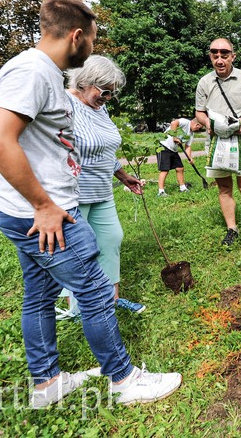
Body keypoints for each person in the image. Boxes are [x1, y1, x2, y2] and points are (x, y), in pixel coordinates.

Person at [0, 0, 181, 407]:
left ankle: (47, 383)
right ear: (76, 37)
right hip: (42, 213)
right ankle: (124, 381)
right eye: (91, 39)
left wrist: (118, 175)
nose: (92, 47)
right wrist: (43, 205)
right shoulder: (33, 73)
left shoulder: (36, 71)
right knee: (92, 289)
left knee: (38, 293)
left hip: (28, 211)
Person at [55, 55, 146, 320]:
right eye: (104, 91)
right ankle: (78, 306)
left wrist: (122, 175)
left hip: (102, 189)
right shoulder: (64, 103)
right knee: (81, 250)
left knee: (111, 239)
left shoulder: (99, 108)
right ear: (85, 82)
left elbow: (104, 149)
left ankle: (112, 298)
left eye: (111, 94)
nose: (107, 98)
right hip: (74, 193)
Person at [194, 38, 241, 246]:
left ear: (233, 56)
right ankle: (231, 229)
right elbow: (199, 112)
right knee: (224, 188)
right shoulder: (204, 82)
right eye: (215, 54)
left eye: (224, 54)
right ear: (210, 56)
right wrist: (206, 123)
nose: (220, 59)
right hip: (217, 143)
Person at [157, 117, 204, 196]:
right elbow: (173, 123)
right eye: (199, 128)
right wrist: (174, 137)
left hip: (173, 150)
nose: (198, 130)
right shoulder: (185, 122)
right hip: (163, 146)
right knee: (165, 170)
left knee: (180, 168)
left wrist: (190, 158)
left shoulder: (191, 134)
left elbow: (188, 146)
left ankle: (183, 188)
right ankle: (161, 191)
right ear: (197, 125)